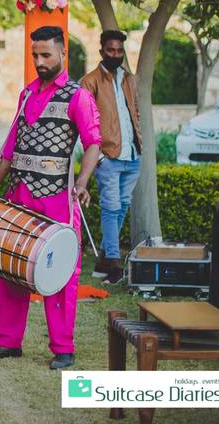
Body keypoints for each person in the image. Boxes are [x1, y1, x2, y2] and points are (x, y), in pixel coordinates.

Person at [0, 26, 101, 370]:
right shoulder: (27, 93)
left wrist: (84, 182)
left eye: (46, 55)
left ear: (62, 54)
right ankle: (7, 342)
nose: (40, 62)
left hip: (57, 198)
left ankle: (63, 348)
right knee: (9, 266)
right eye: (35, 56)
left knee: (58, 272)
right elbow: (11, 144)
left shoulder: (78, 96)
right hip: (18, 196)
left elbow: (93, 144)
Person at [80, 30, 142, 285]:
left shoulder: (129, 79)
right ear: (102, 51)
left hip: (132, 155)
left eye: (119, 51)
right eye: (111, 50)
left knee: (123, 206)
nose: (115, 55)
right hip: (108, 157)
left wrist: (141, 146)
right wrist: (99, 158)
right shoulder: (90, 81)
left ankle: (104, 259)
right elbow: (83, 124)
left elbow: (135, 113)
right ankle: (114, 262)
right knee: (111, 207)